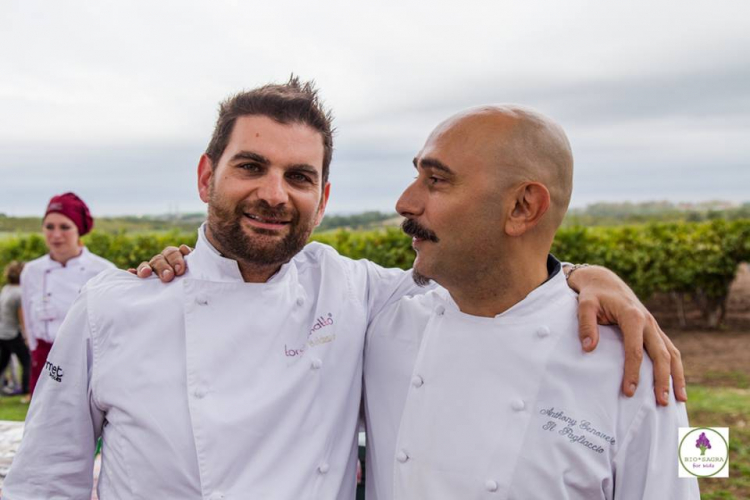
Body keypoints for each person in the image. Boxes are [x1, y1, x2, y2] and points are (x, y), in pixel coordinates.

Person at [3, 78, 683, 499]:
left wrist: (587, 277)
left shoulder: (360, 295)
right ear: (206, 176)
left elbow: (498, 289)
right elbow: (44, 483)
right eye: (250, 166)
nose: (274, 194)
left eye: (299, 177)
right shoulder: (112, 308)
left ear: (323, 199)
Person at [363, 105, 699, 498]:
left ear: (523, 208)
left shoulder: (636, 368)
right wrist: (583, 270)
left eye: (436, 180)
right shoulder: (380, 320)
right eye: (416, 175)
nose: (404, 202)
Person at [20, 192, 115, 398]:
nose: (55, 235)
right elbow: (28, 318)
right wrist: (35, 353)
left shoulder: (102, 270)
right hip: (43, 359)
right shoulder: (31, 271)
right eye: (49, 227)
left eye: (64, 227)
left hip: (85, 362)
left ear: (78, 230)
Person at [0, 261, 31, 398]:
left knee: (2, 363)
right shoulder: (20, 293)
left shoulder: (6, 289)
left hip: (2, 331)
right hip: (13, 333)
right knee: (27, 362)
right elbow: (22, 318)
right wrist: (26, 337)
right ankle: (26, 390)